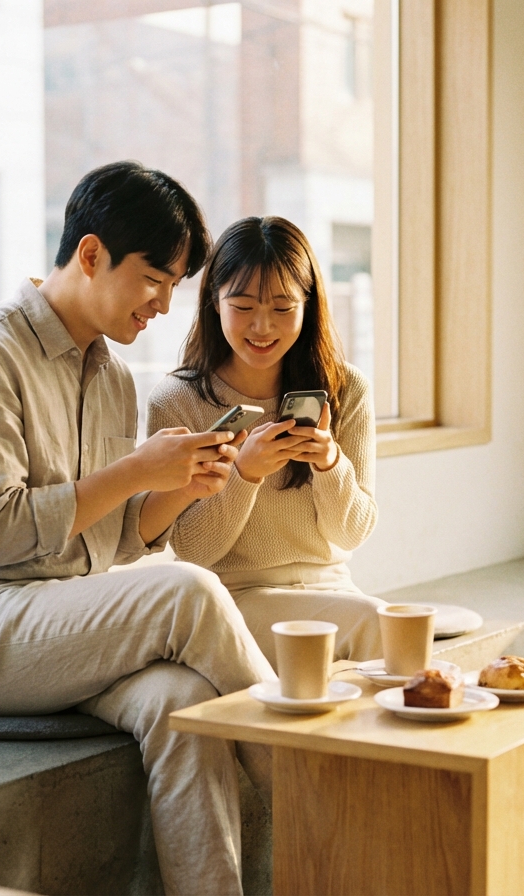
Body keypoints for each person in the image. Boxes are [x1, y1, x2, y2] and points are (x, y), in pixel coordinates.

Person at [0, 161, 275, 896]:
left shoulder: (111, 375)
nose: (163, 303)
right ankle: (314, 783)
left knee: (181, 706)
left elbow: (113, 540)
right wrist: (134, 472)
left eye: (175, 285)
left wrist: (174, 486)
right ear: (91, 255)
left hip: (61, 619)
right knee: (188, 592)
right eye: (154, 278)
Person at [146, 216, 383, 667]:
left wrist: (331, 464)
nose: (262, 326)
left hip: (331, 588)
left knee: (378, 623)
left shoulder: (347, 389)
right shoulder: (178, 401)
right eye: (242, 305)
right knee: (377, 622)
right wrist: (244, 474)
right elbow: (193, 552)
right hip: (232, 599)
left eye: (282, 307)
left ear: (308, 306)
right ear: (214, 302)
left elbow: (351, 533)